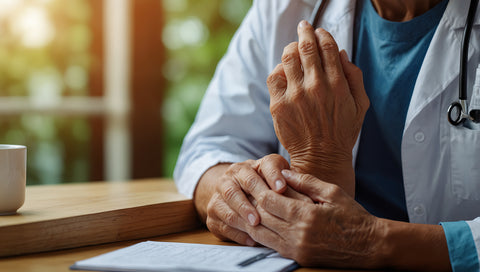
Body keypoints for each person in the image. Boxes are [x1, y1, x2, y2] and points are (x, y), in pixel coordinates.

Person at [174, 0, 480, 270]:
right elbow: (207, 150)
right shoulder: (284, 7)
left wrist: (375, 242)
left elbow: (348, 242)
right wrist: (237, 189)